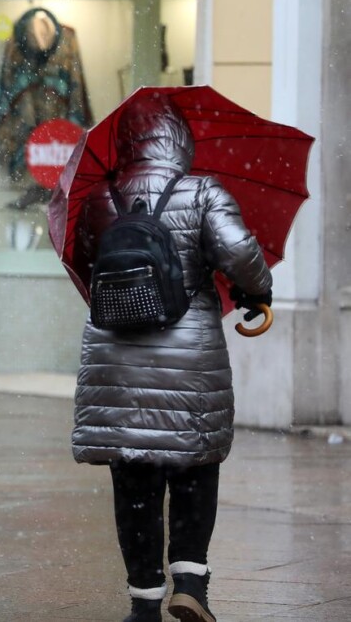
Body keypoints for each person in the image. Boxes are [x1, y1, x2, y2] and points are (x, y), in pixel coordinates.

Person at [70, 95, 272, 622]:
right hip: (189, 359)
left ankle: (143, 602)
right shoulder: (202, 191)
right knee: (194, 467)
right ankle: (190, 584)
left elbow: (91, 264)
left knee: (133, 478)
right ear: (179, 140)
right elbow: (239, 254)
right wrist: (257, 293)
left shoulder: (96, 198)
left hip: (115, 359)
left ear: (127, 143)